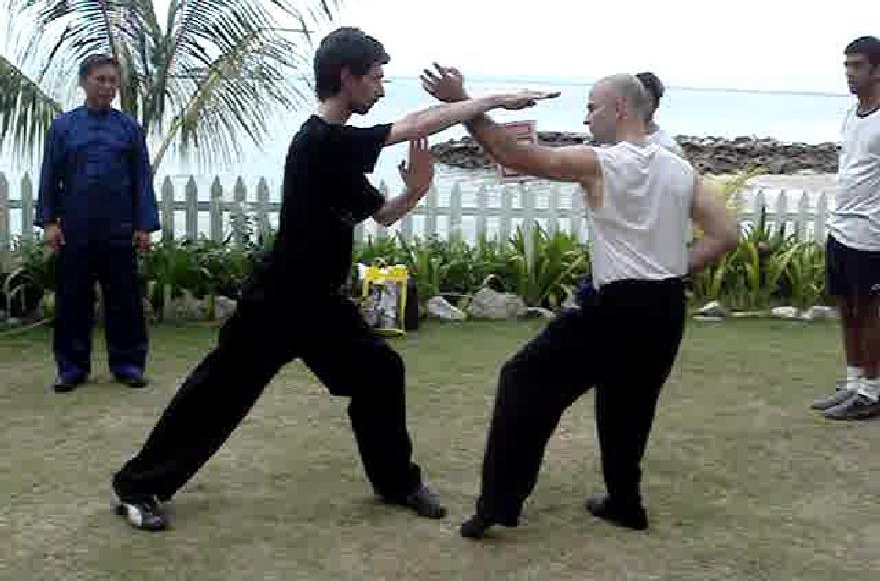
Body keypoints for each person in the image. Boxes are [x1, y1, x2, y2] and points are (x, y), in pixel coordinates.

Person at [110, 27, 557, 531]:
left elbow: (383, 214)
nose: (382, 89)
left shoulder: (338, 153)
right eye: (375, 78)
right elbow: (413, 124)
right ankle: (137, 486)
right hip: (277, 301)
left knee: (381, 374)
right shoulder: (321, 139)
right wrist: (491, 100)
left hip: (320, 304)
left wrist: (418, 189)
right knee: (217, 396)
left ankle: (397, 483)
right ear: (347, 77)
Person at [421, 67, 737, 538]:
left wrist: (463, 101)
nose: (586, 118)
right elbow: (726, 234)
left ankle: (496, 506)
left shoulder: (601, 162)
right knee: (628, 405)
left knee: (523, 381)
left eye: (592, 107)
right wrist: (668, 270)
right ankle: (625, 502)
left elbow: (512, 153)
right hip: (665, 307)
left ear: (620, 108)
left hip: (614, 307)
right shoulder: (678, 166)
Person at [35, 54, 159, 393]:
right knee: (72, 301)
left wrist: (144, 226)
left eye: (112, 81)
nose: (107, 87)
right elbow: (50, 177)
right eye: (100, 79)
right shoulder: (64, 128)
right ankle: (71, 369)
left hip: (119, 229)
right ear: (84, 82)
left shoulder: (128, 128)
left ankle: (128, 365)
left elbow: (141, 180)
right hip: (75, 229)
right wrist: (48, 222)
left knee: (125, 302)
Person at [811, 35, 880, 420]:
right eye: (847, 66)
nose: (850, 74)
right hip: (842, 228)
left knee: (870, 311)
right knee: (847, 307)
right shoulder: (852, 115)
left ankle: (872, 391)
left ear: (877, 69)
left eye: (857, 66)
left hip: (872, 235)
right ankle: (854, 382)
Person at [636, 71, 683, 156]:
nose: (638, 106)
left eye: (645, 101)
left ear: (656, 104)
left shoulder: (667, 146)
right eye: (635, 100)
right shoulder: (613, 139)